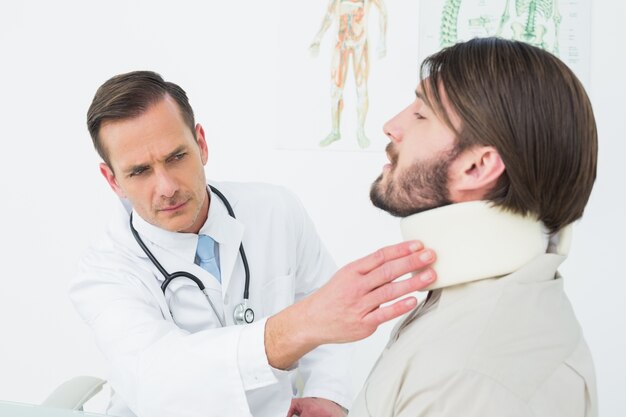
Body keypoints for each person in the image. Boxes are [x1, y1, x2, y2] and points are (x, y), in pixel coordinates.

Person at [69, 71, 437, 417]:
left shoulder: (276, 210)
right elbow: (156, 379)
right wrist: (296, 327)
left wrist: (327, 393)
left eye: (176, 157)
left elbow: (330, 319)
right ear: (113, 180)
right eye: (139, 171)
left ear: (201, 143)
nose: (166, 187)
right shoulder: (103, 272)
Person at [349, 37, 598, 416]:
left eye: (421, 115)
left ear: (477, 167)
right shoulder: (488, 309)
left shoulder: (469, 375)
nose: (390, 126)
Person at [309, 0, 387, 149]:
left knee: (361, 87)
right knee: (336, 88)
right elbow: (329, 14)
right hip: (341, 43)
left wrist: (382, 40)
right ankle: (335, 130)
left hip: (360, 44)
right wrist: (317, 38)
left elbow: (383, 10)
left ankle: (360, 130)